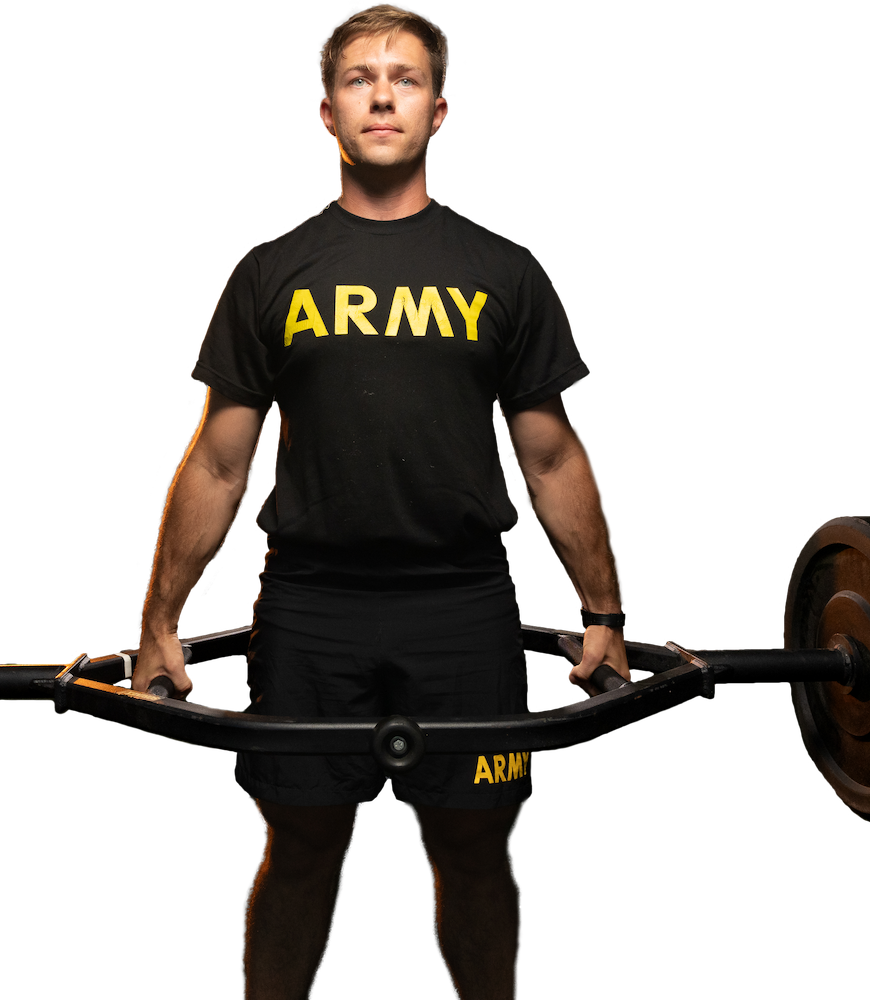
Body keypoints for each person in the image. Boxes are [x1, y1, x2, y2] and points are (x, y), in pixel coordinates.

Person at [131, 5, 630, 997]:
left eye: (404, 78)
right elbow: (220, 462)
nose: (382, 95)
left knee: (477, 846)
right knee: (301, 843)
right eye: (360, 79)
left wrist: (604, 614)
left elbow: (548, 454)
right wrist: (157, 622)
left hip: (463, 601)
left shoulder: (502, 270)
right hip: (314, 602)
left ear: (438, 111)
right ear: (326, 112)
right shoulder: (270, 272)